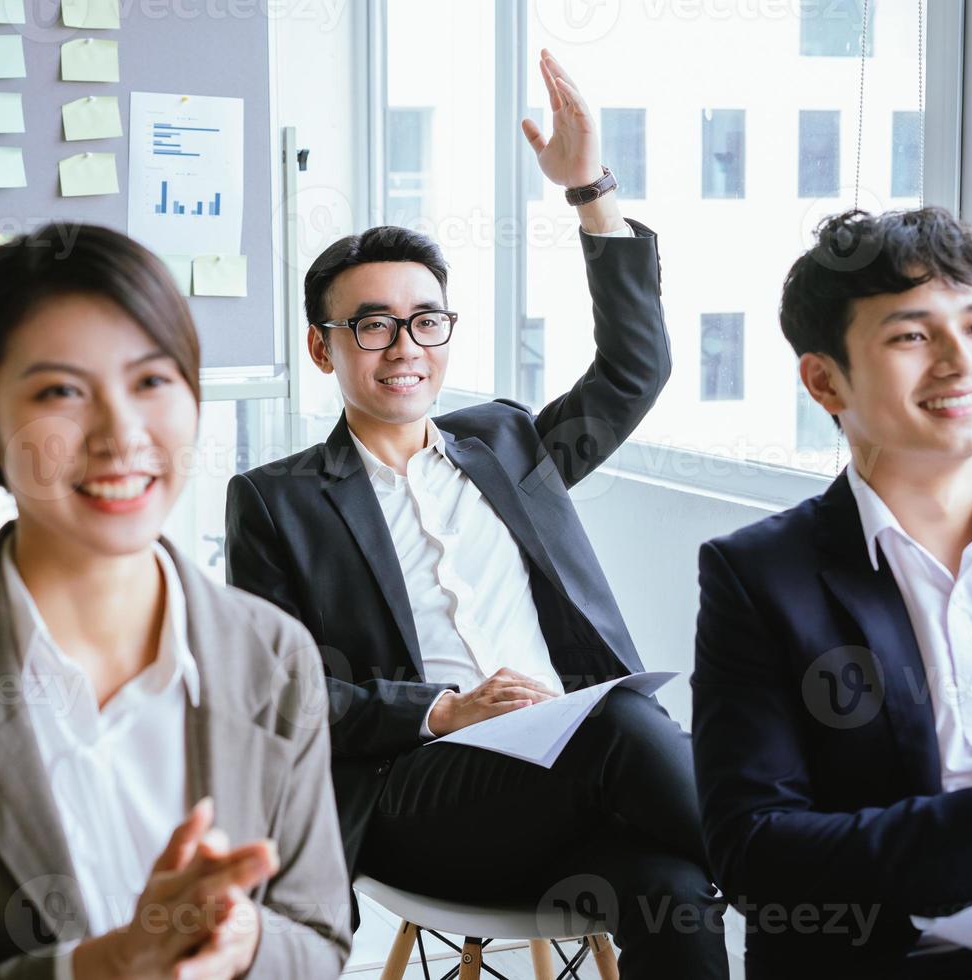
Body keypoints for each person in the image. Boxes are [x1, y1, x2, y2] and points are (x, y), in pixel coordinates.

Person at [225, 51, 726, 978]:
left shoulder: (503, 443)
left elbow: (634, 370)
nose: (404, 346)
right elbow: (278, 697)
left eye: (426, 320)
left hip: (577, 783)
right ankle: (813, 862)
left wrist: (590, 190)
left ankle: (788, 858)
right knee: (622, 724)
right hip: (422, 798)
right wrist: (444, 711)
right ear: (322, 348)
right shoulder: (278, 500)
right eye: (372, 324)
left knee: (672, 888)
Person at [0, 224, 352, 979]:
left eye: (153, 381)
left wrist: (247, 942)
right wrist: (98, 967)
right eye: (61, 391)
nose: (120, 433)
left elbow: (321, 938)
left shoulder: (273, 653)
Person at [692, 207, 972, 978]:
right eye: (913, 336)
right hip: (922, 952)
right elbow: (754, 848)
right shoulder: (761, 577)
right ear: (824, 380)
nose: (961, 362)